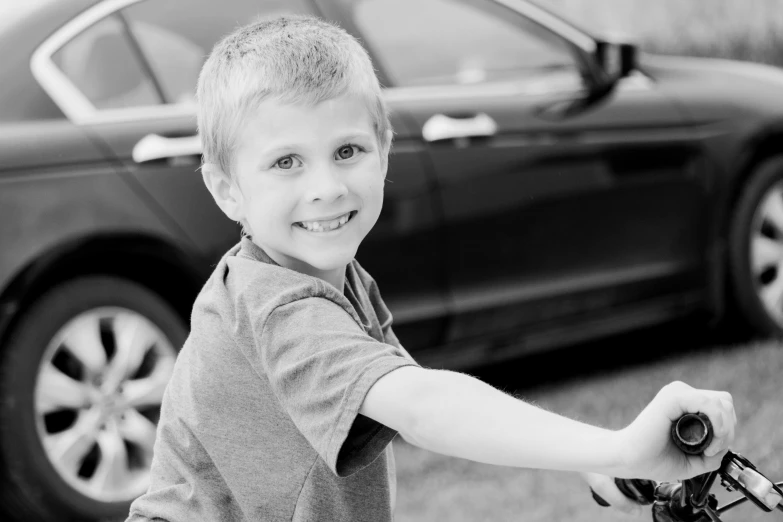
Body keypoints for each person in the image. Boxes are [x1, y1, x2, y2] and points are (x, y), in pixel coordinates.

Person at [126, 15, 736, 522]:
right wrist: (621, 445)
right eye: (286, 161)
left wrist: (590, 456)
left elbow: (408, 392)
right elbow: (421, 405)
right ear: (226, 189)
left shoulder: (327, 279)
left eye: (347, 151)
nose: (326, 187)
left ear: (384, 149)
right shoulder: (276, 307)